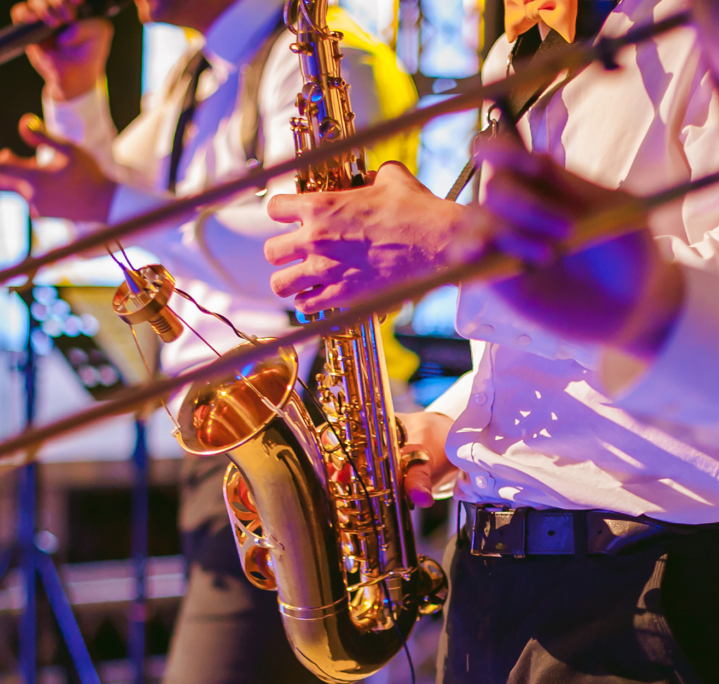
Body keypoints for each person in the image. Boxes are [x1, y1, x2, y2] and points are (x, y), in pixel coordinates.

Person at [260, 0, 719, 682]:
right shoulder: (513, 56)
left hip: (648, 582)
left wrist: (455, 245)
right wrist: (451, 424)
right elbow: (538, 335)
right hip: (489, 577)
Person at [0, 0, 417, 682]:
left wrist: (108, 204)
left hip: (312, 429)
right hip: (234, 441)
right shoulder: (197, 73)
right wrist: (75, 88)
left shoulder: (328, 60)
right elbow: (98, 226)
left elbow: (304, 257)